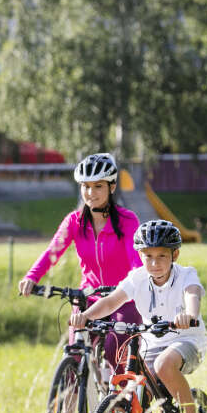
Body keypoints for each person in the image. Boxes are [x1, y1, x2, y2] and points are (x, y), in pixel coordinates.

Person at [68, 219, 207, 413]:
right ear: (140, 256)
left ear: (175, 254)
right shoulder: (138, 278)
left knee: (163, 365)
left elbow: (192, 294)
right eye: (148, 256)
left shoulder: (186, 275)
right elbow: (112, 301)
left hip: (186, 340)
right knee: (130, 391)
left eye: (162, 256)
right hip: (151, 341)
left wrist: (190, 314)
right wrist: (86, 316)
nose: (154, 263)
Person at [18, 152, 143, 369]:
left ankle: (121, 401)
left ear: (111, 187)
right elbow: (52, 253)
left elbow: (136, 260)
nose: (90, 193)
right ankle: (69, 398)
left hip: (123, 298)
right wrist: (32, 276)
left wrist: (136, 283)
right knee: (74, 354)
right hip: (89, 297)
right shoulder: (74, 222)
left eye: (98, 186)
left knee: (116, 352)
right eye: (85, 186)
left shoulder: (127, 220)